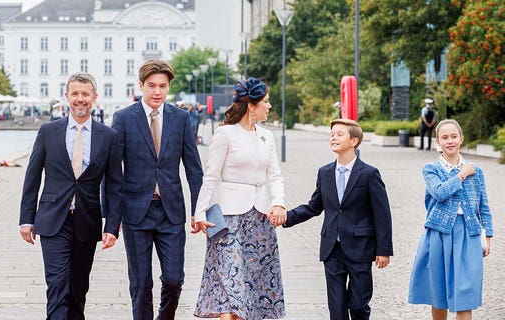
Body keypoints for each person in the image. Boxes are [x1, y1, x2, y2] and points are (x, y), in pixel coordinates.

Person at [19, 72, 123, 320]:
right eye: (75, 94)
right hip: (53, 220)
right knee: (57, 285)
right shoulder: (48, 131)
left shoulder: (108, 137)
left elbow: (114, 185)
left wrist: (113, 226)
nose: (80, 99)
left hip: (87, 221)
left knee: (78, 290)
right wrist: (26, 218)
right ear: (66, 97)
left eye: (85, 94)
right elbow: (32, 177)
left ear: (94, 98)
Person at [111, 59, 204, 320]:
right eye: (151, 86)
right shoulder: (123, 118)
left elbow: (194, 169)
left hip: (171, 213)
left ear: (168, 88)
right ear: (141, 85)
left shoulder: (181, 118)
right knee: (141, 284)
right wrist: (112, 217)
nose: (157, 92)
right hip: (135, 213)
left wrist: (199, 209)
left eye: (163, 86)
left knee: (174, 278)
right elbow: (112, 171)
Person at [276, 118, 393, 320]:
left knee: (358, 305)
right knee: (336, 309)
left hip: (360, 248)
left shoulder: (369, 174)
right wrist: (287, 217)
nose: (333, 138)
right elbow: (314, 206)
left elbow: (382, 214)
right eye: (332, 135)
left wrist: (383, 250)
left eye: (339, 134)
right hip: (332, 249)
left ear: (354, 141)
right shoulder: (325, 172)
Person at [193, 77, 287, 320]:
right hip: (228, 219)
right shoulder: (225, 134)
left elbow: (275, 175)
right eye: (266, 101)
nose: (270, 106)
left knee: (254, 285)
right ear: (251, 106)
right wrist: (200, 213)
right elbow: (211, 177)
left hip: (260, 220)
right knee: (230, 284)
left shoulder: (267, 136)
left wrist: (278, 202)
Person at [408, 119, 493, 320]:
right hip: (438, 234)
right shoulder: (431, 169)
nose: (450, 141)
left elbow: (484, 205)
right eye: (444, 138)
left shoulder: (476, 171)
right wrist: (461, 175)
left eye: (454, 136)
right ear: (437, 142)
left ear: (461, 139)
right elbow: (439, 192)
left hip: (469, 234)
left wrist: (488, 235)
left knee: (465, 294)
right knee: (439, 294)